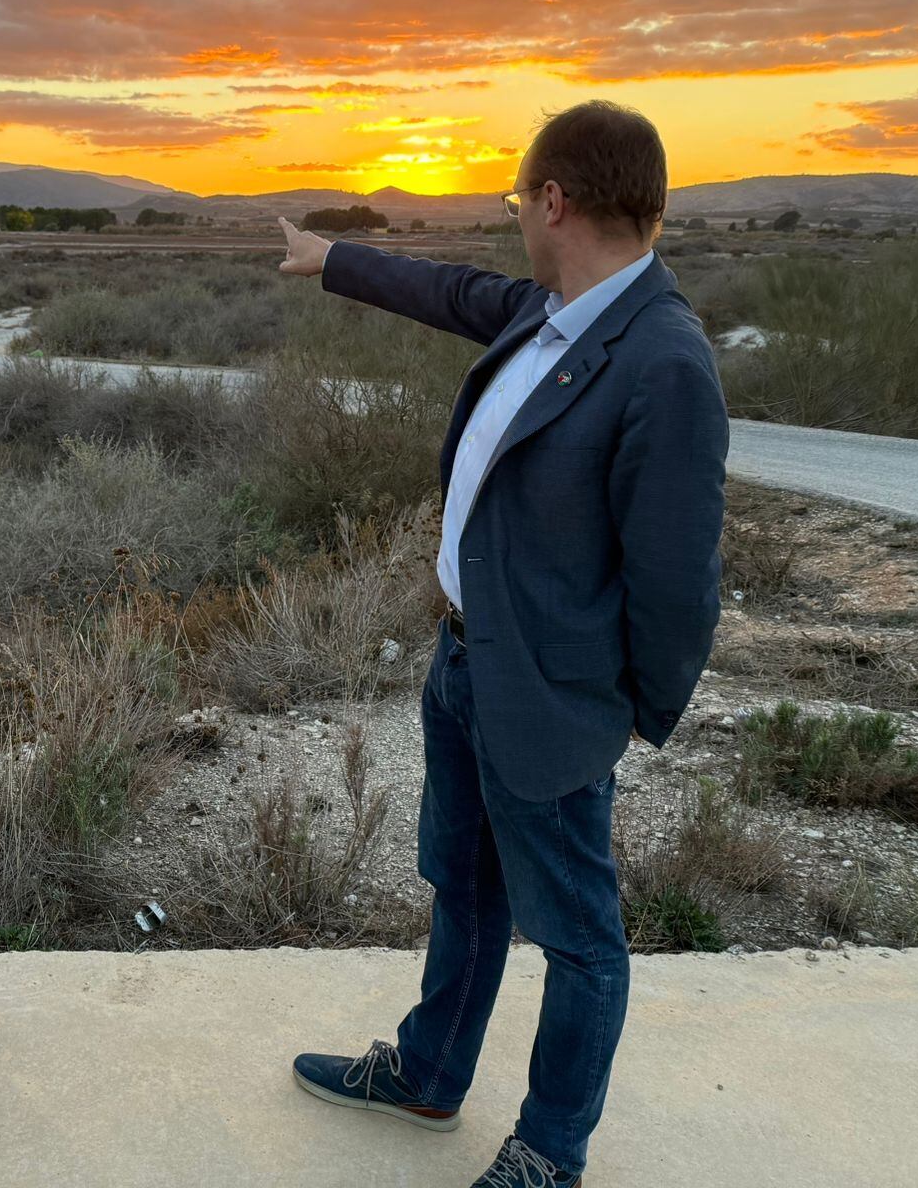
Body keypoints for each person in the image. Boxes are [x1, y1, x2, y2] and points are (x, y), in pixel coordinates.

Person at [277, 100, 728, 1187]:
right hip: (464, 663)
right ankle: (428, 1074)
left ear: (555, 201)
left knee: (576, 935)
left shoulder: (660, 362)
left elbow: (675, 582)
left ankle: (548, 1148)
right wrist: (328, 257)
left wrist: (623, 710)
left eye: (518, 198)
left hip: (552, 697)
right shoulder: (549, 311)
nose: (516, 216)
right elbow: (449, 293)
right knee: (463, 885)